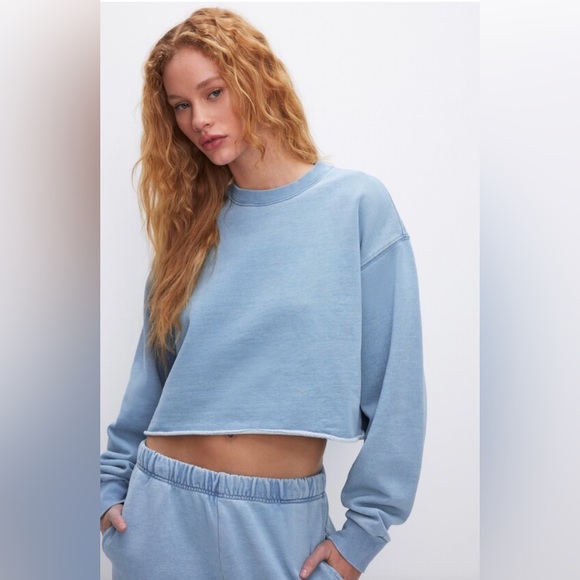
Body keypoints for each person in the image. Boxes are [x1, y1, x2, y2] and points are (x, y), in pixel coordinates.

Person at [100, 7, 426, 580]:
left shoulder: (355, 207)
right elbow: (150, 378)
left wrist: (361, 538)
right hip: (160, 513)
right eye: (181, 105)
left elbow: (397, 391)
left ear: (258, 79)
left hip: (279, 526)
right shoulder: (190, 232)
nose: (199, 119)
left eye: (214, 92)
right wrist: (109, 490)